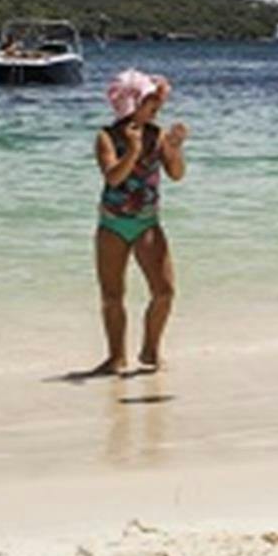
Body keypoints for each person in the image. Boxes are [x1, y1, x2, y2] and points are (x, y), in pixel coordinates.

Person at [85, 69, 187, 375]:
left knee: (165, 291)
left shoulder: (157, 135)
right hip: (112, 224)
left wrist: (176, 148)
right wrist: (132, 150)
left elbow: (177, 174)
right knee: (112, 296)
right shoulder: (106, 136)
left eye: (158, 102)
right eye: (150, 102)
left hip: (147, 223)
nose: (158, 108)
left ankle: (150, 350)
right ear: (131, 103)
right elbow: (113, 177)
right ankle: (116, 357)